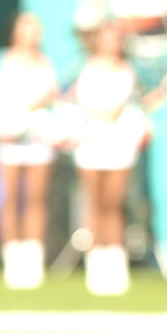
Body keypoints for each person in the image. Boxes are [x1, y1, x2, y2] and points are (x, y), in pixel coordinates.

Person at [0, 12, 60, 289]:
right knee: (9, 198)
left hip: (37, 139)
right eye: (26, 26)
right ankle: (13, 261)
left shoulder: (47, 63)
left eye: (36, 27)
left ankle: (32, 261)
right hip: (9, 140)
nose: (32, 32)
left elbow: (56, 94)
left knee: (35, 199)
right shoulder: (1, 60)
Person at [68, 21, 149, 296]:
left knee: (114, 204)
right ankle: (96, 266)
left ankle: (115, 267)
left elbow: (116, 108)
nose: (113, 43)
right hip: (90, 143)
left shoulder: (126, 70)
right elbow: (83, 102)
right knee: (95, 204)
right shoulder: (87, 68)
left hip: (118, 144)